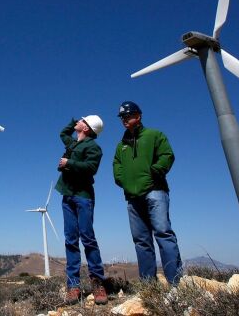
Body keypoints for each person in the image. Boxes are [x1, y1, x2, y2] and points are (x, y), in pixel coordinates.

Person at [112, 101, 182, 284]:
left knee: (163, 234)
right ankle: (148, 285)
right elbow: (116, 166)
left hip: (155, 191)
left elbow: (167, 155)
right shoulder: (121, 146)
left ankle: (175, 282)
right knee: (141, 241)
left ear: (138, 116)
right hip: (132, 197)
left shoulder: (154, 135)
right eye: (122, 117)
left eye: (128, 116)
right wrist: (124, 182)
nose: (124, 120)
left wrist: (154, 173)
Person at [56, 115, 108, 305]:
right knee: (70, 239)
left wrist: (68, 163)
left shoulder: (93, 147)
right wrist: (72, 122)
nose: (80, 121)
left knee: (87, 238)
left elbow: (91, 168)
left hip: (83, 196)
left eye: (82, 121)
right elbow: (63, 133)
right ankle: (73, 285)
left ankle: (97, 282)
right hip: (67, 195)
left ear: (87, 128)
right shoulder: (73, 143)